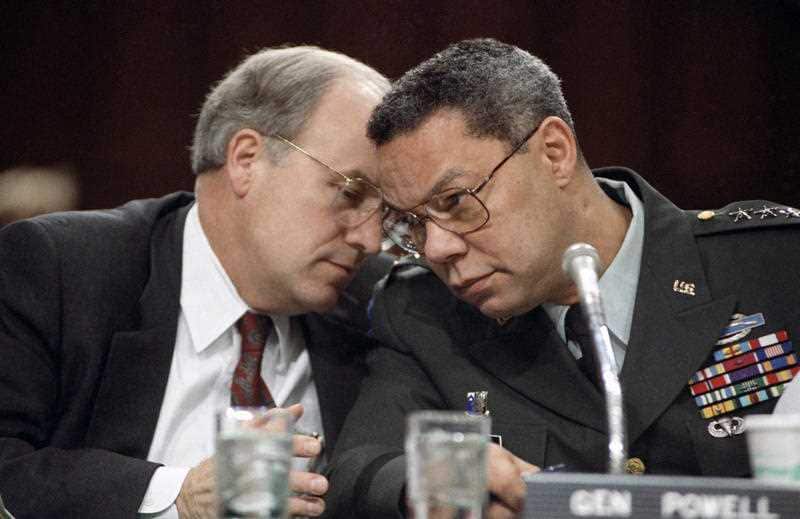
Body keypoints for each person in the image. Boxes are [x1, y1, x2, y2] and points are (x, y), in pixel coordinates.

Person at [324, 38, 800, 518]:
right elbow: (359, 468)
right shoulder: (425, 313)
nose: (435, 249)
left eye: (454, 202)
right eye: (412, 224)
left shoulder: (773, 263)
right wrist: (430, 482)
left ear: (554, 153)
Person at [0, 45, 391, 518]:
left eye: (386, 212)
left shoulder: (379, 303)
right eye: (351, 192)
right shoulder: (62, 269)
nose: (371, 239)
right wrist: (178, 496)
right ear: (246, 159)